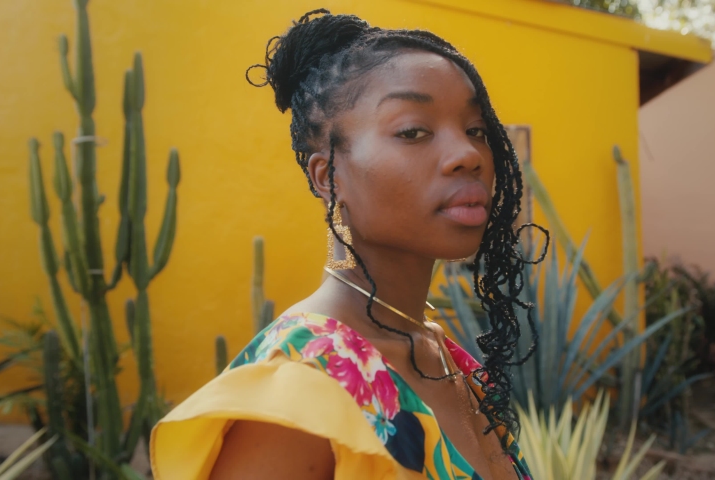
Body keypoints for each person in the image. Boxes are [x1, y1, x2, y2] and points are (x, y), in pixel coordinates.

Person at [150, 9, 544, 480]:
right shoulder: (300, 399)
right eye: (413, 131)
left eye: (475, 130)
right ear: (328, 175)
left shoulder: (442, 355)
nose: (467, 155)